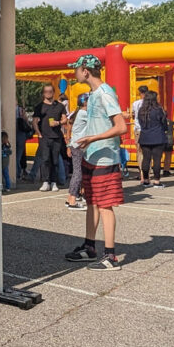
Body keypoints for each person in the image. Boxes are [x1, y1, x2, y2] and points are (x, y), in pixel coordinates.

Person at [63, 54, 127, 271]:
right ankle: (90, 247)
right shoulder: (93, 94)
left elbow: (121, 127)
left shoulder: (105, 93)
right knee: (92, 201)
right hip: (92, 156)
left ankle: (111, 257)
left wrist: (93, 138)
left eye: (76, 70)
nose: (74, 73)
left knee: (105, 205)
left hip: (105, 158)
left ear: (86, 71)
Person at [33, 83, 67, 192]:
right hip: (44, 136)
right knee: (45, 159)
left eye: (50, 91)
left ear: (53, 92)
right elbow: (34, 121)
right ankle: (45, 181)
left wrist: (58, 122)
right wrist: (38, 133)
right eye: (46, 91)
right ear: (43, 93)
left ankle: (54, 182)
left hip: (56, 136)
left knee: (55, 160)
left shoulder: (59, 106)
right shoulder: (39, 106)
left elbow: (65, 119)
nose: (48, 93)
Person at [136, 90, 168, 188]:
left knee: (146, 159)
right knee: (157, 160)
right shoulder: (158, 109)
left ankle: (146, 180)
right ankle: (157, 181)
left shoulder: (141, 110)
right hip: (158, 136)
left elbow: (140, 123)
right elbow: (164, 122)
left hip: (145, 137)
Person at [65, 93, 89, 210]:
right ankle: (73, 201)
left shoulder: (78, 113)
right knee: (78, 174)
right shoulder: (84, 113)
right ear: (85, 102)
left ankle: (70, 197)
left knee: (77, 173)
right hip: (79, 146)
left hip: (76, 145)